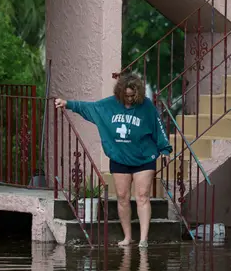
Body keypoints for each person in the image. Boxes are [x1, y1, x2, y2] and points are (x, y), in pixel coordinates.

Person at [54, 74, 173, 249]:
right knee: (122, 197)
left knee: (142, 196)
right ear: (120, 92)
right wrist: (68, 104)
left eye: (133, 95)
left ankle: (143, 239)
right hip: (120, 157)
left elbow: (158, 127)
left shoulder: (146, 106)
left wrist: (165, 149)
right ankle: (127, 237)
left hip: (144, 157)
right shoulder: (109, 105)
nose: (130, 98)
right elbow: (90, 108)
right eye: (127, 95)